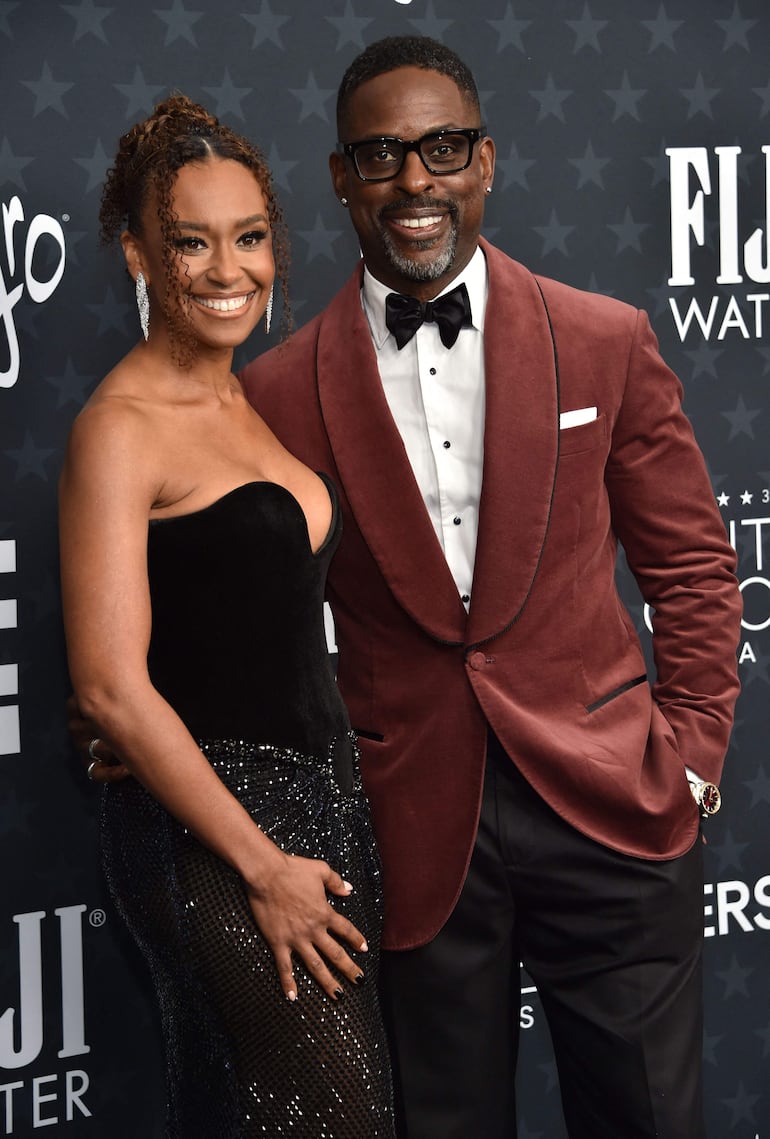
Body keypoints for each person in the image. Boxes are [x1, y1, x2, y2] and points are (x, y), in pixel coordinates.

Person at [75, 38, 742, 1139]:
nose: (414, 181)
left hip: (615, 813)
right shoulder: (276, 393)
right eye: (380, 154)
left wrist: (694, 762)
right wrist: (124, 707)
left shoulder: (603, 339)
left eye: (441, 148)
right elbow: (218, 586)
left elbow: (693, 567)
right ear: (341, 178)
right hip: (409, 832)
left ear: (484, 160)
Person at [59, 95, 393, 1138]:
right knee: (329, 1116)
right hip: (217, 833)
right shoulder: (119, 427)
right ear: (137, 255)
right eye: (187, 243)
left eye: (248, 238)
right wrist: (261, 866)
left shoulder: (248, 396)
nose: (225, 269)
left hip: (318, 811)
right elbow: (110, 683)